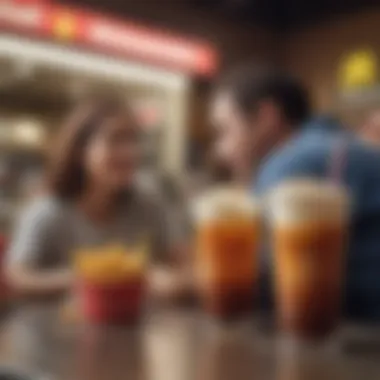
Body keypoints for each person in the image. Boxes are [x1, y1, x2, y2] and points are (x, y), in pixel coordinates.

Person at [211, 65, 380, 322]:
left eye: (225, 130)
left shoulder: (292, 163)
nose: (220, 150)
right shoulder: (339, 143)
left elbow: (252, 278)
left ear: (267, 117)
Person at [6, 96, 190, 299]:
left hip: (139, 325)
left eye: (133, 140)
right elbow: (17, 277)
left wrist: (174, 280)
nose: (130, 152)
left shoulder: (149, 206)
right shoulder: (47, 213)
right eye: (115, 139)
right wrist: (94, 277)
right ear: (80, 150)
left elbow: (185, 265)